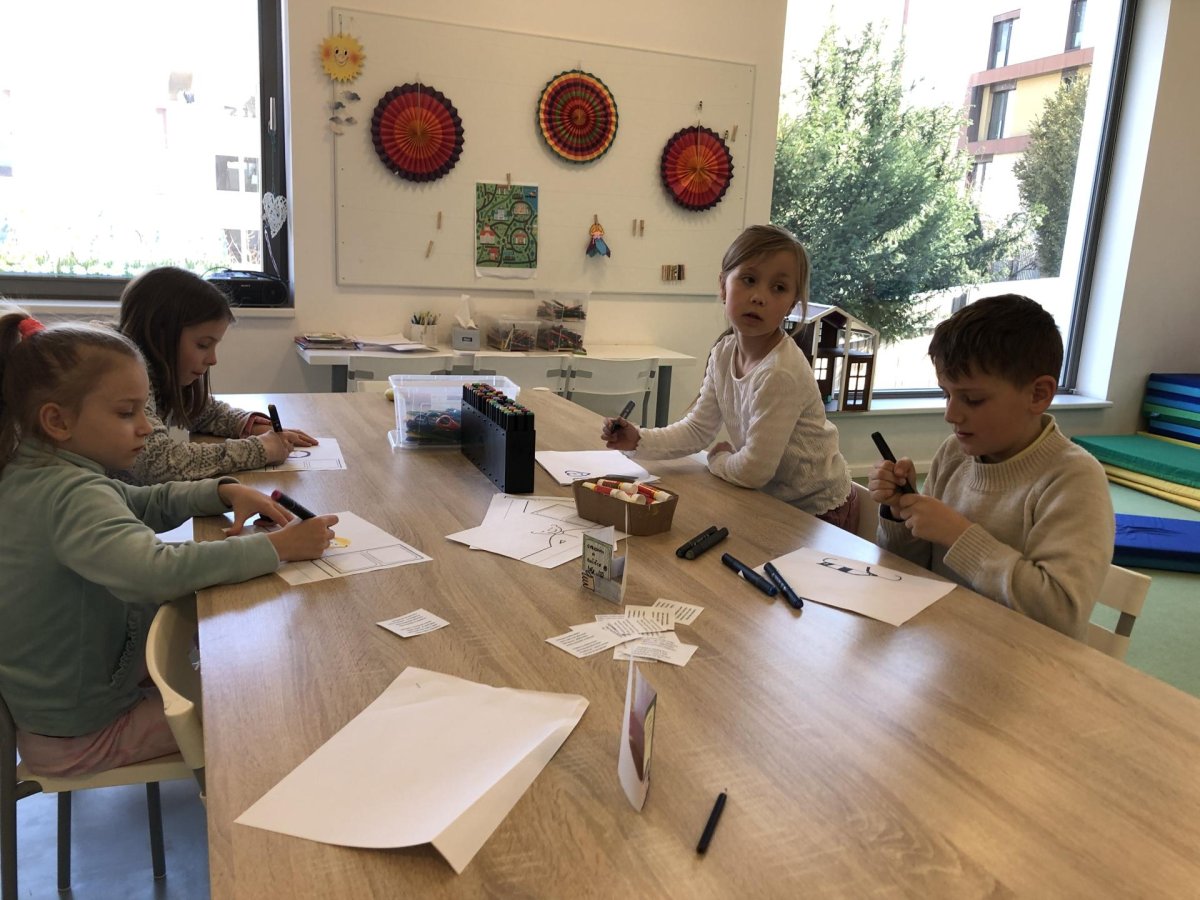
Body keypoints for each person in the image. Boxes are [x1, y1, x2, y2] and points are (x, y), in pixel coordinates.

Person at [0, 310, 338, 777]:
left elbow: (140, 501)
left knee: (235, 661)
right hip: (83, 733)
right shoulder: (69, 495)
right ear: (57, 421)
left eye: (145, 410)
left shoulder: (41, 471)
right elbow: (156, 571)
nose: (145, 427)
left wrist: (220, 491)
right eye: (127, 413)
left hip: (76, 697)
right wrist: (279, 548)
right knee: (269, 709)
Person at [867, 294, 1114, 640]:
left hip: (1019, 659)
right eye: (946, 394)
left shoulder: (1074, 479)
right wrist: (900, 513)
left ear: (1038, 394)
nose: (951, 414)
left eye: (972, 399)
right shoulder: (954, 454)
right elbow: (912, 573)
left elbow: (1060, 615)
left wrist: (959, 535)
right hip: (944, 643)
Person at [601, 224, 856, 530]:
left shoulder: (779, 372)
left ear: (791, 304)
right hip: (769, 500)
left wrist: (718, 460)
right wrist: (638, 439)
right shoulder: (724, 352)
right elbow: (697, 429)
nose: (759, 297)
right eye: (749, 280)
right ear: (723, 286)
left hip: (816, 512)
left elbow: (753, 471)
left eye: (778, 288)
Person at [117, 266, 317, 483]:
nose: (213, 359)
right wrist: (259, 449)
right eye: (203, 345)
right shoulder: (121, 373)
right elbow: (159, 462)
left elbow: (201, 411)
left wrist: (250, 425)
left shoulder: (152, 369)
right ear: (159, 334)